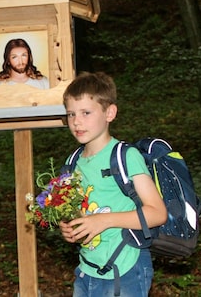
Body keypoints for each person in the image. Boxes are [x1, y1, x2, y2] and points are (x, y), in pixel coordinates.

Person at [59, 72, 167, 297]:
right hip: (87, 270)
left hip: (125, 269)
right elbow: (76, 211)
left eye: (86, 113)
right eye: (71, 114)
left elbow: (157, 213)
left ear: (110, 112)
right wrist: (68, 228)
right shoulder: (72, 162)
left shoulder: (125, 157)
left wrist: (103, 221)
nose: (76, 121)